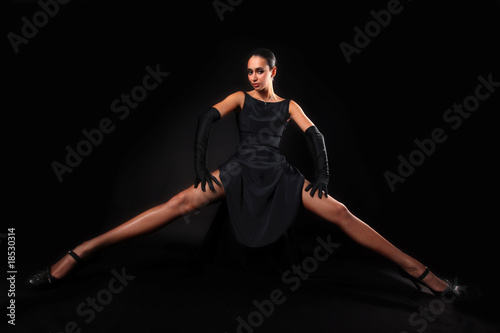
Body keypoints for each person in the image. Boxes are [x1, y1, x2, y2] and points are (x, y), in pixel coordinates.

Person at [26, 48, 466, 299]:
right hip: (238, 169)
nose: (254, 77)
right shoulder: (240, 97)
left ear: (273, 71)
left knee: (342, 213)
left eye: (260, 71)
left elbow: (316, 137)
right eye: (249, 71)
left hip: (278, 172)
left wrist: (324, 176)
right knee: (178, 203)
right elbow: (204, 118)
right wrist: (200, 165)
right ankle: (82, 251)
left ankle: (420, 273)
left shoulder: (289, 105)